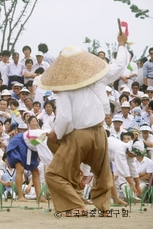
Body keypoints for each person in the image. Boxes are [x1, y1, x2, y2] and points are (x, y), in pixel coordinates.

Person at [42, 32, 129, 216]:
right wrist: (121, 44)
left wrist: (55, 133)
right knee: (102, 173)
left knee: (53, 174)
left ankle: (77, 205)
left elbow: (64, 119)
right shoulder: (98, 77)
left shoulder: (65, 89)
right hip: (100, 133)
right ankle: (104, 209)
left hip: (79, 135)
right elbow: (119, 65)